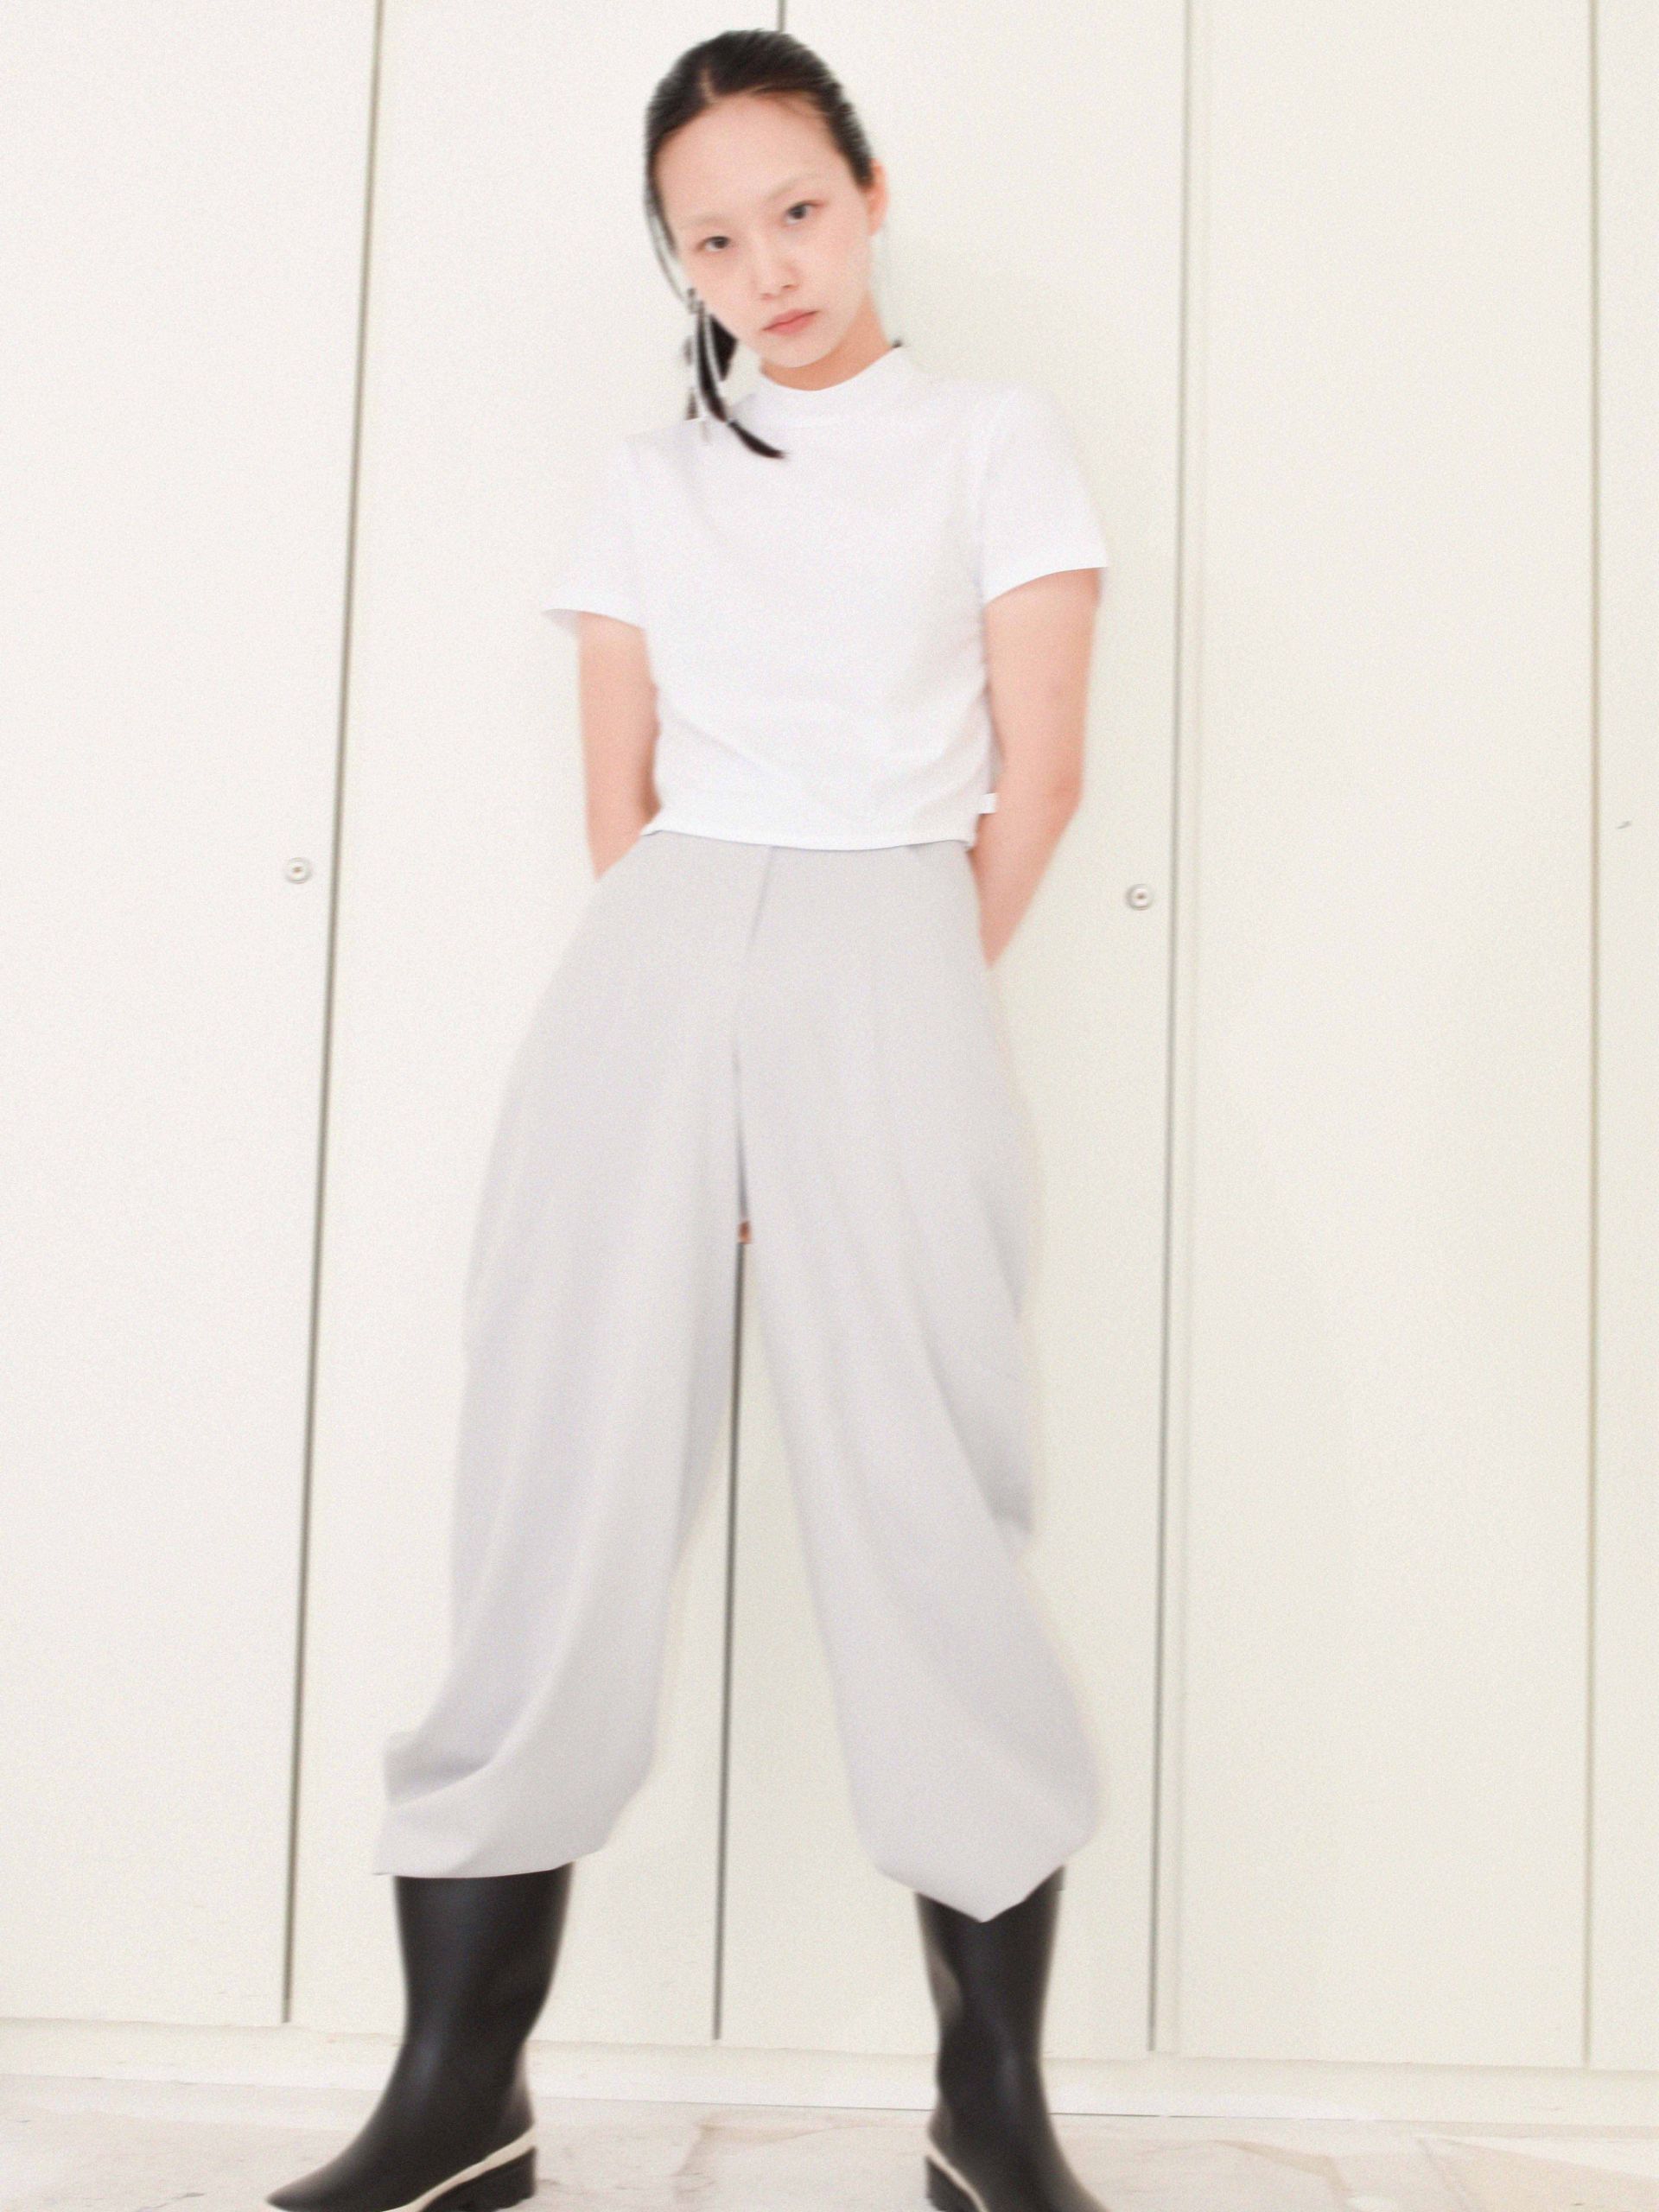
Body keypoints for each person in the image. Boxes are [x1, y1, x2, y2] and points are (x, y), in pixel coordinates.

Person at [269, 29, 1112, 2212]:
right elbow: (618, 800)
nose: (767, 267)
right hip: (655, 961)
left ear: (870, 189)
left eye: (797, 211)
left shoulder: (994, 440)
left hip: (894, 934)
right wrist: (708, 1059)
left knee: (929, 1492)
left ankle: (992, 2110)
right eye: (714, 239)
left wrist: (886, 1021)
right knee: (548, 1464)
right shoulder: (651, 480)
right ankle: (458, 2095)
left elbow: (1038, 778)